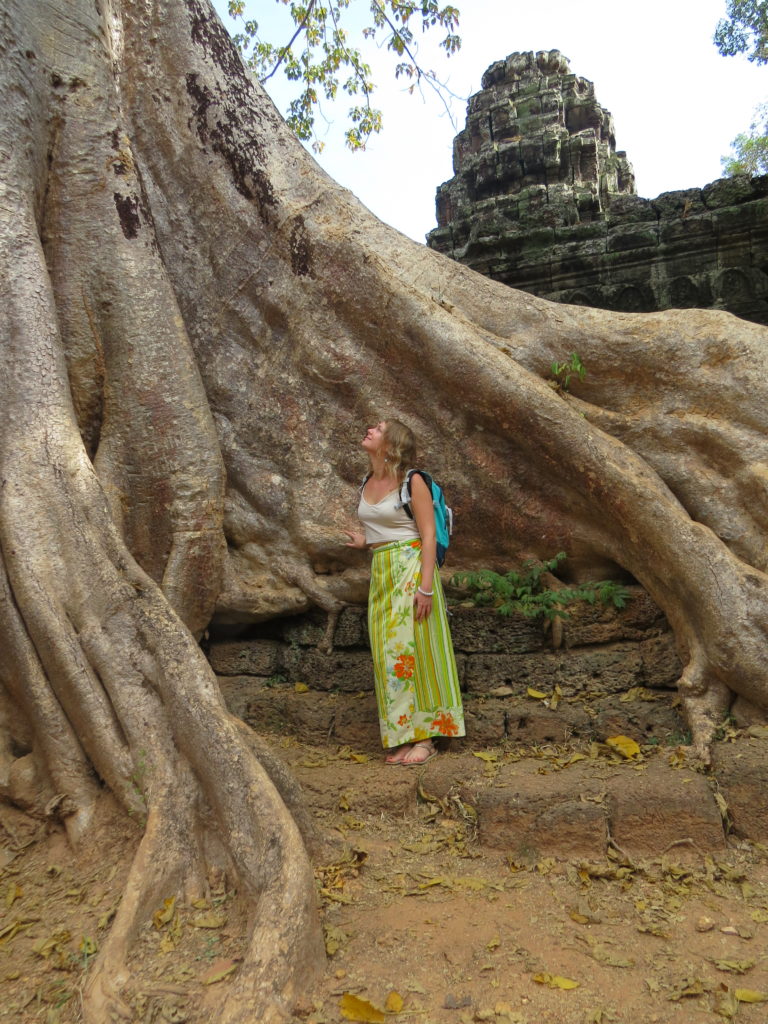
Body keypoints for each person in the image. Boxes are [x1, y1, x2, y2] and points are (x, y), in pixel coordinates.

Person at [344, 419, 466, 765]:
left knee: (415, 652)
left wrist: (425, 588)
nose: (369, 429)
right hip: (382, 572)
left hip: (413, 570)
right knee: (388, 656)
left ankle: (426, 738)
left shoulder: (412, 481)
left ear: (392, 443)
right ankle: (402, 734)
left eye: (379, 428)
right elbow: (389, 528)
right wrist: (366, 541)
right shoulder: (368, 481)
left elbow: (427, 534)